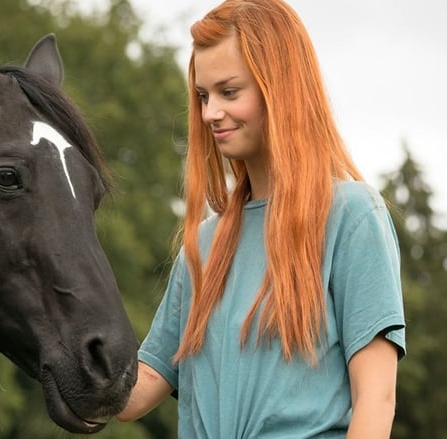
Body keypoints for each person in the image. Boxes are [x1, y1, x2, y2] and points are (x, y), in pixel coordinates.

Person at [117, 0, 406, 437]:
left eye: (229, 92)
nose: (210, 112)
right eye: (202, 96)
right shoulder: (204, 244)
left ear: (281, 87)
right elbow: (138, 391)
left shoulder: (352, 216)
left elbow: (377, 399)